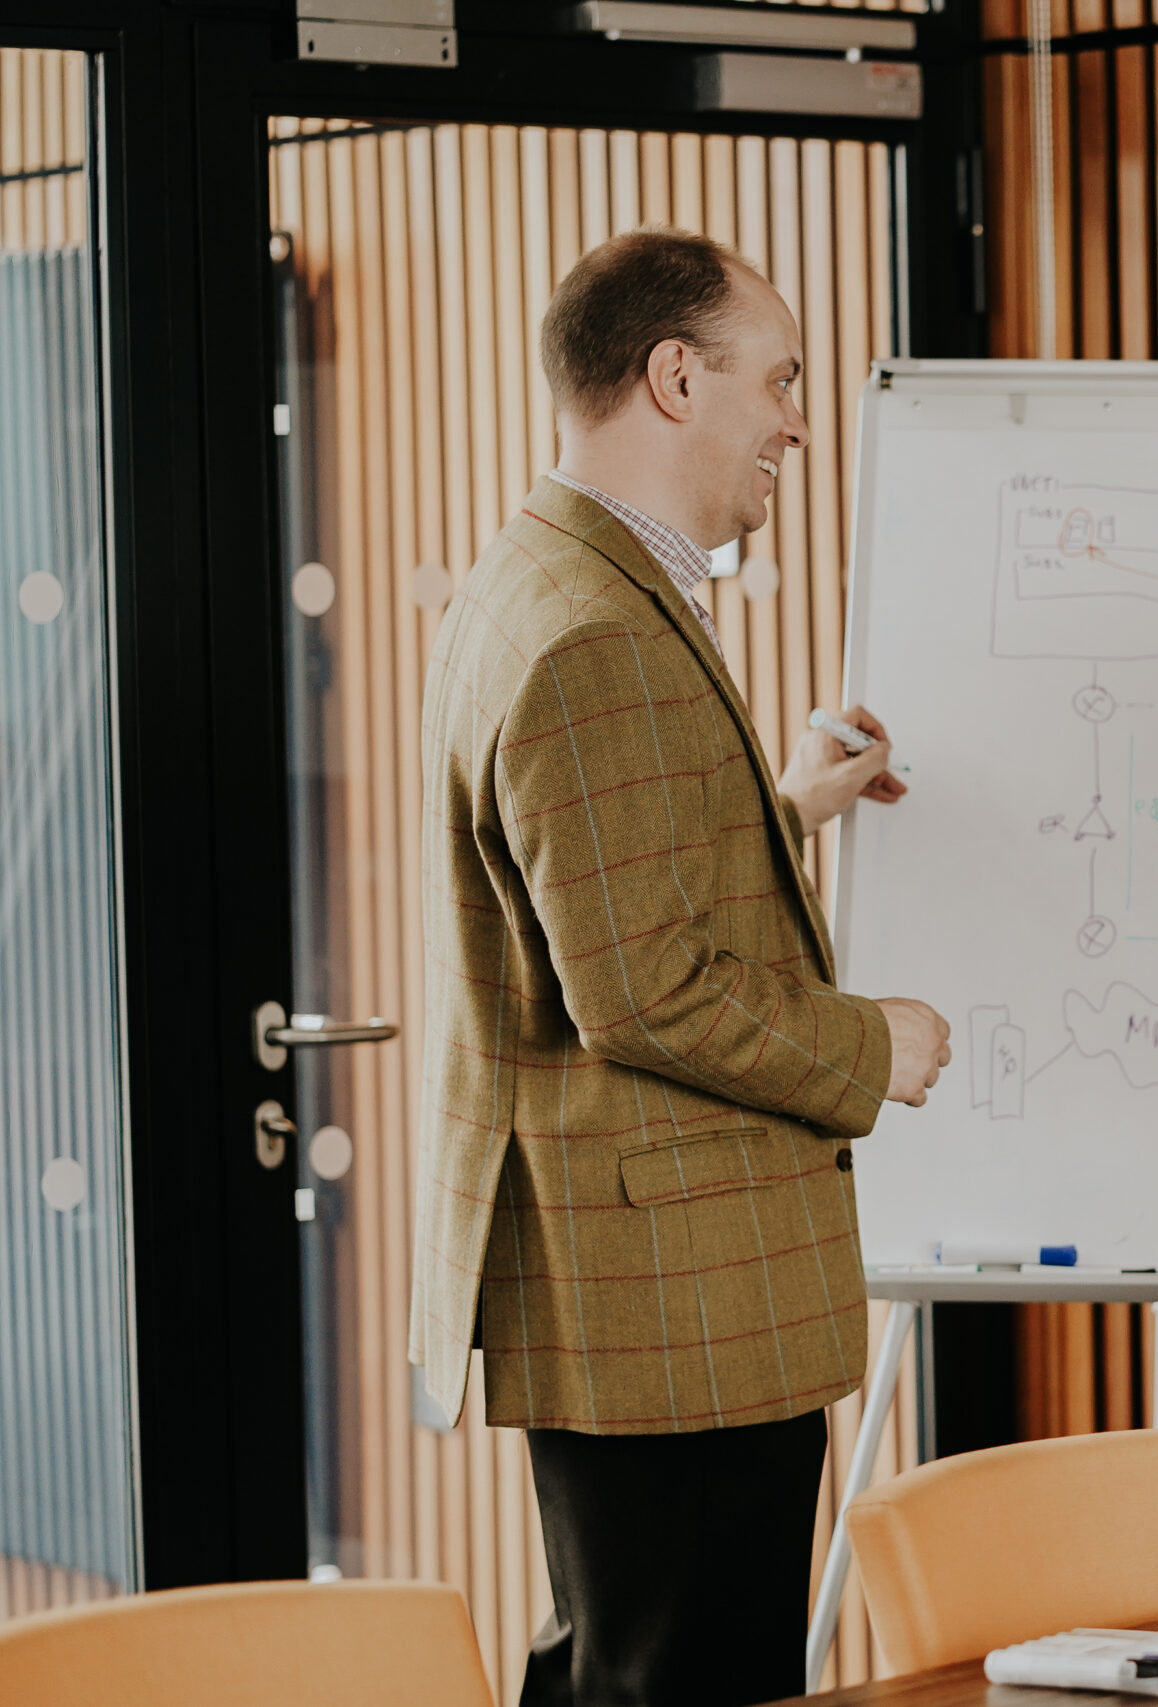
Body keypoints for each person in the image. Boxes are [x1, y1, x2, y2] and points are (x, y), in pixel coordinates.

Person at [410, 226, 952, 1707]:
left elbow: (591, 879)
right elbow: (642, 988)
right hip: (669, 1291)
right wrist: (870, 1048)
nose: (792, 418)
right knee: (684, 1674)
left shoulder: (543, 580)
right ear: (672, 377)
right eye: (774, 380)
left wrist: (777, 807)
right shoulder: (597, 633)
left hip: (635, 1278)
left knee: (619, 1660)